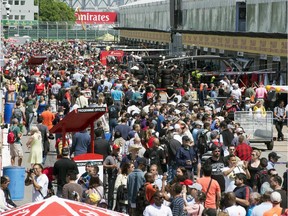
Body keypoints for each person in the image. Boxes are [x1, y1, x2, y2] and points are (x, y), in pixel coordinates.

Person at [103, 144, 121, 210]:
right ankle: (110, 207)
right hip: (111, 176)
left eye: (118, 149)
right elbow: (104, 165)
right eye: (116, 149)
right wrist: (111, 166)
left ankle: (116, 207)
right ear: (113, 150)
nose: (118, 151)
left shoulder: (118, 157)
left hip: (117, 176)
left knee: (117, 191)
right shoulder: (109, 157)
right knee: (111, 193)